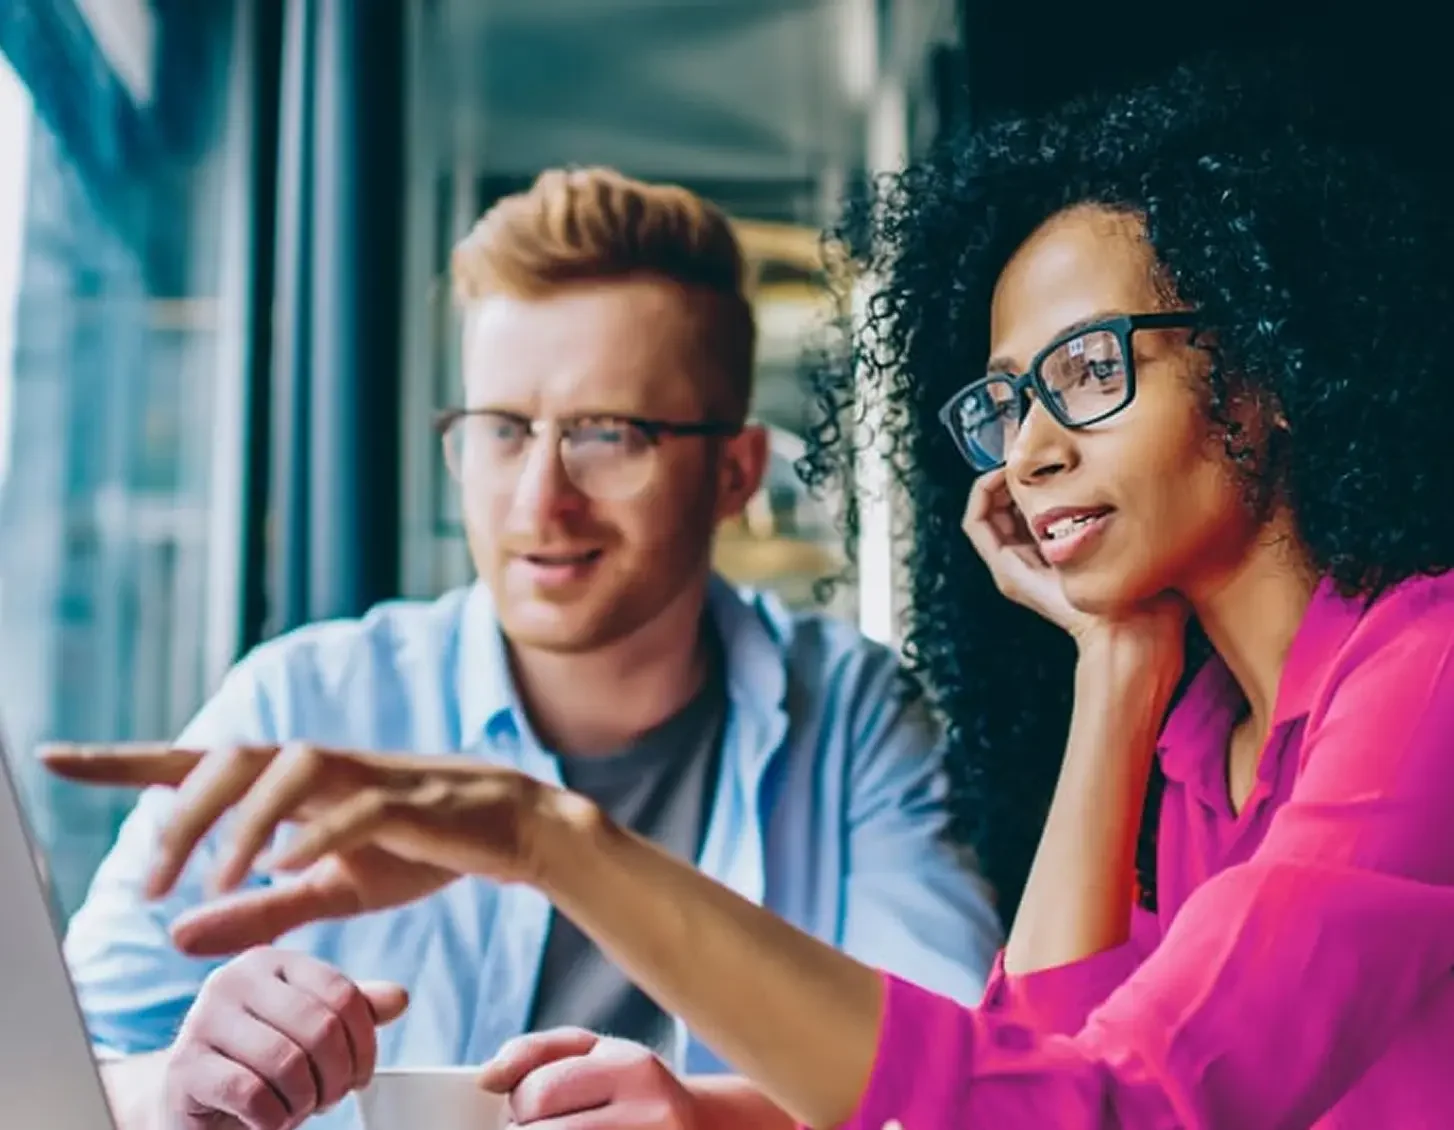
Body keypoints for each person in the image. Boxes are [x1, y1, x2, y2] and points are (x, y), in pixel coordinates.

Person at [48, 50, 1454, 1129]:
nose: (1027, 446)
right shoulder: (1204, 745)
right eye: (496, 431)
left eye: (1088, 372)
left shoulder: (1421, 679)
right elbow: (1043, 1069)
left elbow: (1074, 1098)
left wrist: (553, 841)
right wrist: (1112, 667)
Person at [55, 166, 1003, 1130]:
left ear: (734, 473)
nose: (536, 500)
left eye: (608, 435)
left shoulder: (851, 716)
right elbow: (57, 1080)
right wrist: (173, 1086)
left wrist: (711, 1123)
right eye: (502, 430)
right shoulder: (302, 704)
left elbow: (970, 1082)